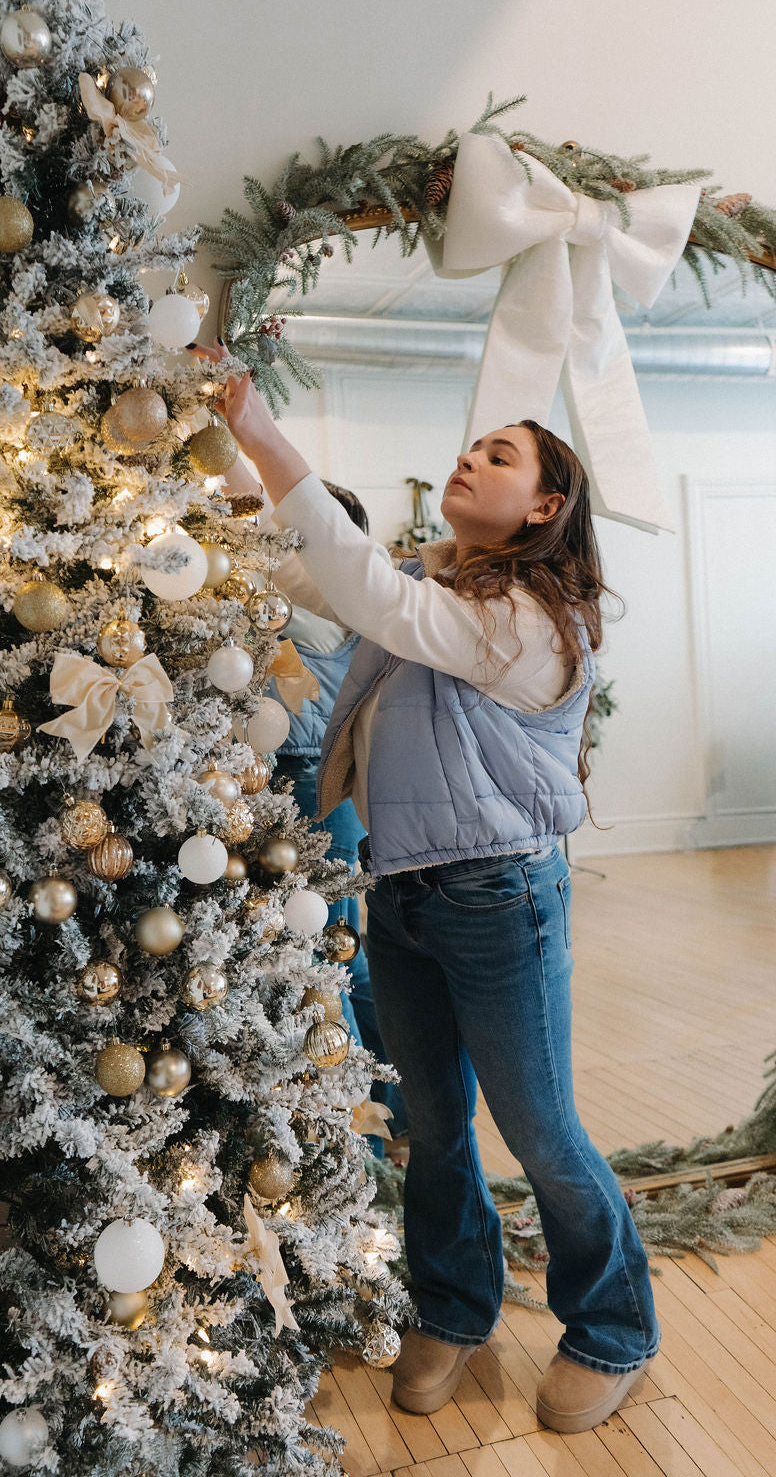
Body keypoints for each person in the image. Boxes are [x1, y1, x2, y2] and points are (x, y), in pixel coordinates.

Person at [190, 340, 660, 1436]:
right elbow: (316, 573)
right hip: (398, 893)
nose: (469, 459)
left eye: (498, 456)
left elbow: (368, 594)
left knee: (542, 1135)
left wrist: (260, 428)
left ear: (544, 507)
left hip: (500, 902)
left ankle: (613, 1327)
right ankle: (452, 1307)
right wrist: (219, 470)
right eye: (470, 446)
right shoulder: (434, 582)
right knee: (436, 1127)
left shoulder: (532, 621)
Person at [264, 480, 408, 1153]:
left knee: (331, 966)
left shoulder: (309, 611)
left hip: (308, 785)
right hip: (326, 790)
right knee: (350, 960)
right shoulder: (347, 608)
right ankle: (400, 1115)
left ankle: (365, 1141)